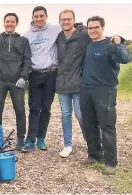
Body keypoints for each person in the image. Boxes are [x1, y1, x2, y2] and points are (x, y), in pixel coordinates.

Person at [80, 16, 129, 175]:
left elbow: (125, 59)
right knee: (89, 124)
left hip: (105, 90)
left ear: (103, 27)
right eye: (90, 28)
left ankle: (111, 162)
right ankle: (94, 155)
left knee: (107, 126)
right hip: (86, 89)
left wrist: (118, 43)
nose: (93, 30)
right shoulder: (89, 46)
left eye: (96, 27)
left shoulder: (110, 44)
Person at [0, 13, 32, 150]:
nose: (10, 24)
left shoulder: (23, 40)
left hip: (16, 81)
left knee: (20, 110)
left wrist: (23, 77)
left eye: (12, 22)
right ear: (4, 23)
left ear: (16, 23)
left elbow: (27, 60)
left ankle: (20, 139)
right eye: (7, 21)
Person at [22, 6, 62, 152]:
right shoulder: (26, 35)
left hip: (51, 73)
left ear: (46, 16)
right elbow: (23, 56)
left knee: (46, 107)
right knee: (34, 107)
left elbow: (74, 30)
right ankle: (30, 140)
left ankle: (41, 138)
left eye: (41, 16)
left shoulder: (55, 29)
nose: (39, 19)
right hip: (35, 73)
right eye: (36, 16)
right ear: (32, 17)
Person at [55, 9, 92, 158]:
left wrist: (118, 39)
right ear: (60, 21)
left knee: (80, 114)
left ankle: (91, 143)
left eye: (68, 19)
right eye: (63, 19)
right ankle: (67, 145)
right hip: (62, 83)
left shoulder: (83, 34)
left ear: (74, 20)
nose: (66, 21)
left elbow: (99, 39)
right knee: (65, 115)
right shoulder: (59, 37)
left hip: (78, 82)